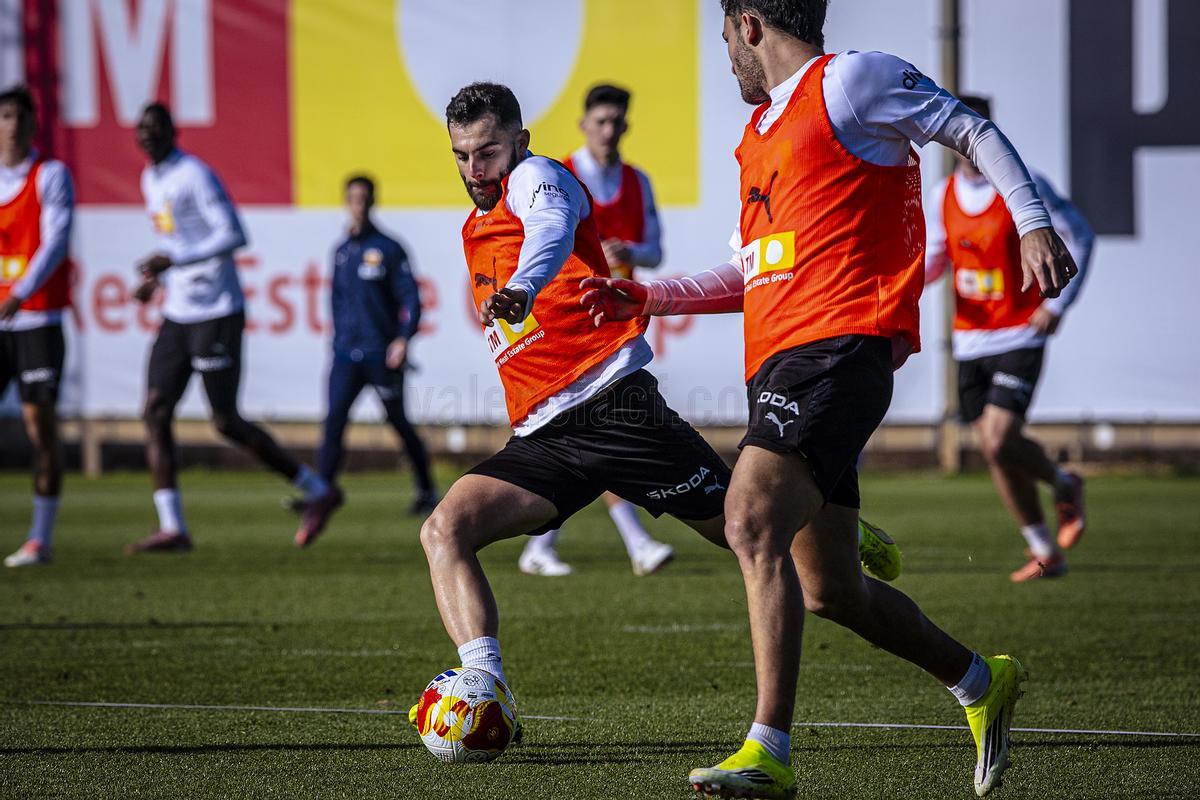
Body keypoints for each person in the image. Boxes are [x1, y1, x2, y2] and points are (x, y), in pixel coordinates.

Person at [580, 2, 1078, 796]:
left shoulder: (851, 80)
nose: (727, 61)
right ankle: (982, 682)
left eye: (724, 42)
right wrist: (650, 297)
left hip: (840, 348)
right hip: (778, 366)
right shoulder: (758, 136)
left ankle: (767, 747)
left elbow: (970, 130)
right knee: (830, 590)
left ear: (748, 25)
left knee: (747, 517)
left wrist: (1031, 222)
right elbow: (754, 270)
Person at [410, 81, 902, 747]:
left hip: (614, 410)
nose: (475, 168)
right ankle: (484, 687)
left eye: (488, 151)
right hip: (545, 434)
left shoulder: (538, 178)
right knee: (445, 529)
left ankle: (830, 521)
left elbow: (551, 231)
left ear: (518, 142)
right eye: (462, 155)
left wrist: (525, 286)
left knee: (748, 533)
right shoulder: (475, 224)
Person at [126, 102, 341, 553]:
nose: (147, 136)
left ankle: (318, 489)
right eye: (141, 129)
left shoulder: (194, 175)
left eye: (156, 128)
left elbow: (234, 234)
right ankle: (172, 527)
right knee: (154, 409)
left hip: (216, 310)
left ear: (173, 131)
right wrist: (157, 279)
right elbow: (174, 241)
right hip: (178, 311)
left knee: (224, 420)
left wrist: (175, 260)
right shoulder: (151, 178)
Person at [926, 94, 1093, 582]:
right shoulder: (941, 196)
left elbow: (1080, 235)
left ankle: (1063, 488)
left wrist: (1057, 304)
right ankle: (1048, 544)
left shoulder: (1023, 184)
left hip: (1020, 332)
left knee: (999, 440)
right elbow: (937, 257)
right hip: (970, 339)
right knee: (995, 448)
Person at [517, 83, 673, 577]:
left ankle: (543, 546)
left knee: (587, 433)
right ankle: (636, 543)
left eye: (616, 122)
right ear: (584, 124)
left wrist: (629, 251)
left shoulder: (636, 180)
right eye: (600, 121)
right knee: (604, 427)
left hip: (618, 319)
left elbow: (654, 250)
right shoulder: (554, 176)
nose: (608, 130)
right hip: (571, 319)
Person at [314, 174, 437, 515]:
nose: (359, 205)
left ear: (372, 202)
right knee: (334, 421)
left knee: (398, 422)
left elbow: (411, 298)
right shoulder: (340, 252)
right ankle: (321, 494)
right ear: (346, 202)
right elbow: (337, 302)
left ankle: (426, 489)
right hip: (345, 354)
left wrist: (403, 338)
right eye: (354, 198)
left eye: (365, 198)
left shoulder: (388, 248)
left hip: (381, 355)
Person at [0, 86, 73, 568]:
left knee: (38, 426)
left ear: (33, 125)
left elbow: (56, 240)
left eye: (20, 118)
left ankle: (40, 539)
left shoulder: (51, 174)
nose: (12, 126)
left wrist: (20, 292)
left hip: (36, 318)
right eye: (4, 116)